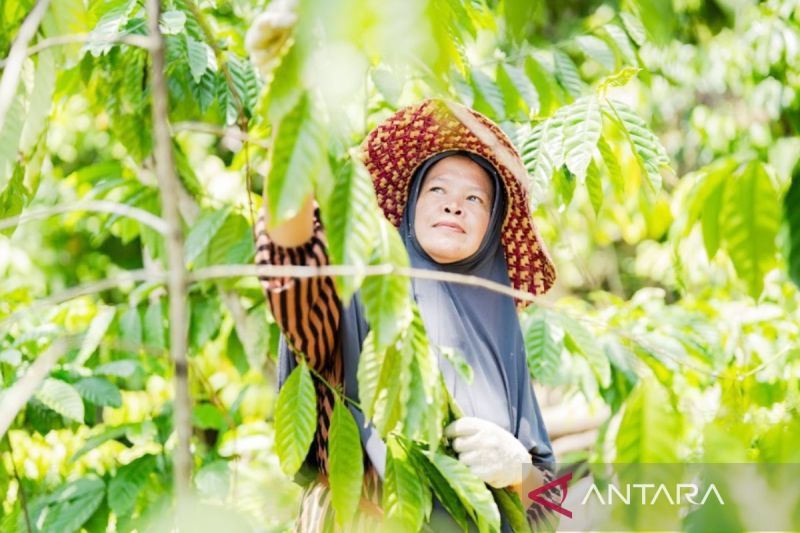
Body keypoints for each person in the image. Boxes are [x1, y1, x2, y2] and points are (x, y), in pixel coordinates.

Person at [255, 99, 561, 531]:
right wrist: (294, 111)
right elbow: (292, 270)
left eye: (474, 197)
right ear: (410, 205)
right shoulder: (358, 291)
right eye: (438, 190)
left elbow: (556, 503)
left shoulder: (504, 335)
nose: (454, 206)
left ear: (492, 226)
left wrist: (519, 473)